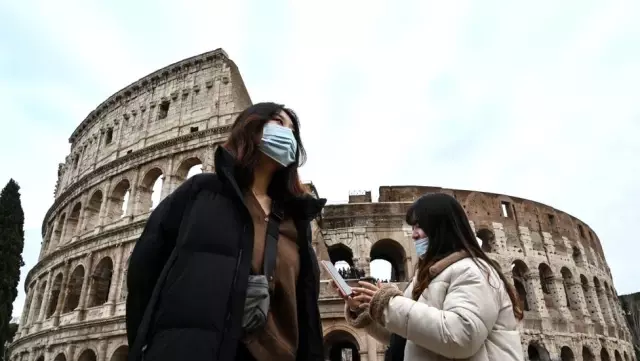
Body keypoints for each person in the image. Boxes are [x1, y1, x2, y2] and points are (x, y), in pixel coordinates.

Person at [126, 102, 327, 361]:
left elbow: (305, 308)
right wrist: (150, 346)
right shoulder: (200, 193)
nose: (287, 134)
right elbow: (144, 272)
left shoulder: (296, 221)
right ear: (251, 126)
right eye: (278, 122)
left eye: (292, 131)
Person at [333, 193, 524, 361]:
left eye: (419, 226)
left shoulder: (473, 271)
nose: (414, 235)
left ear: (441, 228)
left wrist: (388, 304)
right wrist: (366, 311)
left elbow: (462, 336)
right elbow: (405, 335)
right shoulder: (425, 277)